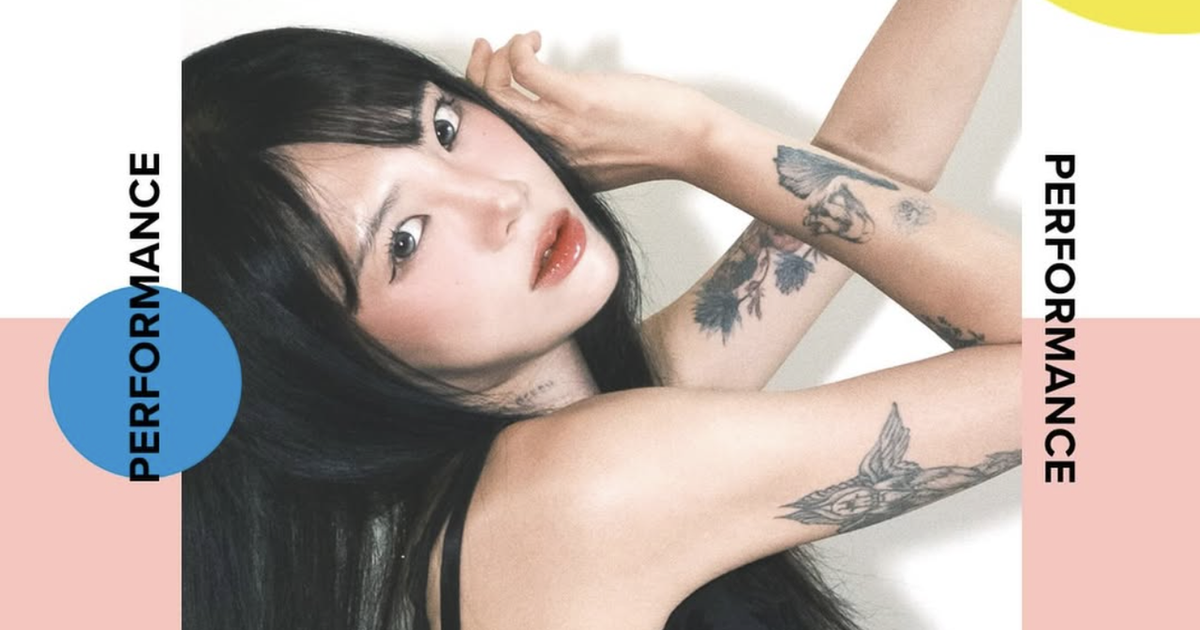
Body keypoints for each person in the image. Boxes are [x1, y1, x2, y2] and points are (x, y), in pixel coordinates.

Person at [181, 1, 1019, 629]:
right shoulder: (586, 488)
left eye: (443, 125)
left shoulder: (541, 475)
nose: (498, 197)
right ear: (315, 362)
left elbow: (867, 167)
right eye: (405, 239)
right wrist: (696, 140)